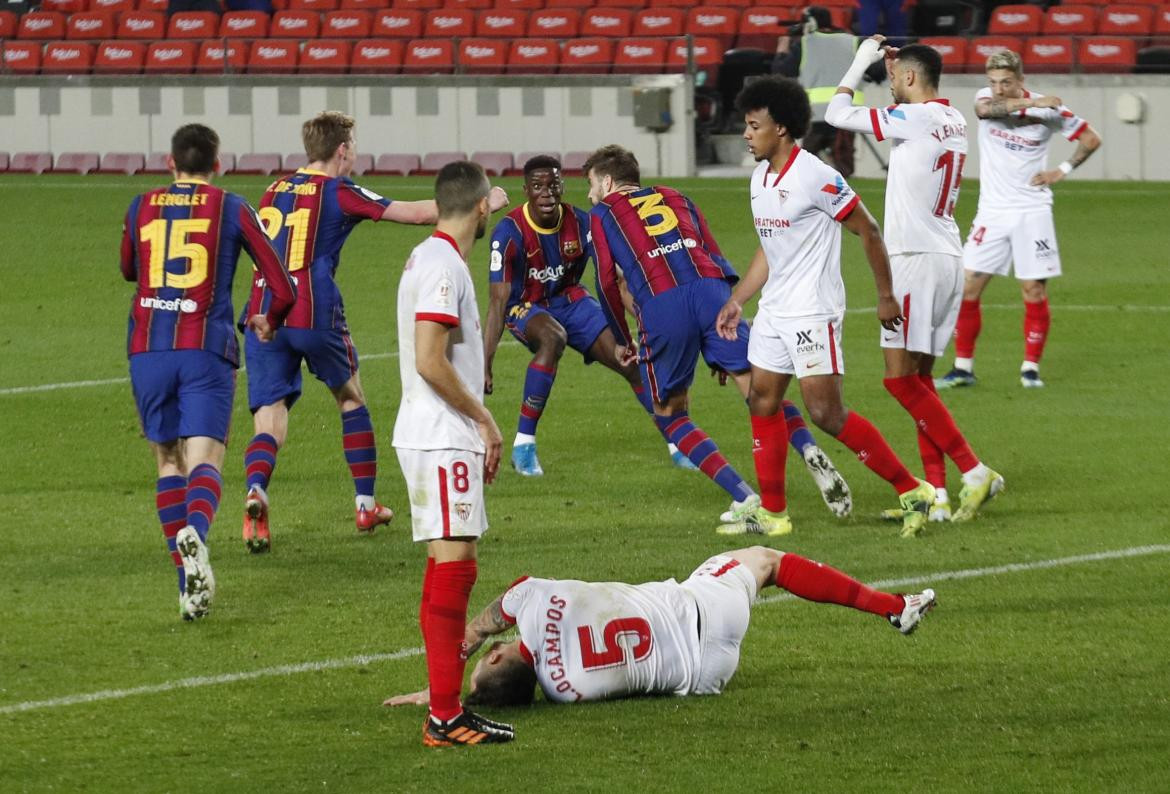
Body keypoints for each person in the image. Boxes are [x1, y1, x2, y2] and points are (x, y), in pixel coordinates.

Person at [239, 111, 507, 553]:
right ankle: (365, 503)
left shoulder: (274, 189)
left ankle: (255, 489)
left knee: (269, 415)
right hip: (313, 309)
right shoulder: (337, 190)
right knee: (350, 397)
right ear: (342, 150)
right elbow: (414, 213)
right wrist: (481, 202)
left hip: (263, 311)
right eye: (355, 147)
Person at [585, 144, 852, 529]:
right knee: (760, 392)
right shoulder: (676, 195)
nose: (591, 194)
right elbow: (712, 250)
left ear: (607, 181)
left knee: (670, 414)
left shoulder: (602, 212)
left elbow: (606, 281)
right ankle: (808, 446)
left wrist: (621, 337)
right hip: (712, 292)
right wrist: (724, 320)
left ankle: (744, 495)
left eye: (593, 185)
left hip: (663, 304)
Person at [717, 76, 936, 539]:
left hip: (813, 312)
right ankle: (774, 514)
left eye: (753, 125)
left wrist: (884, 296)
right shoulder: (760, 177)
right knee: (762, 399)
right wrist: (738, 300)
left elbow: (869, 230)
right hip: (776, 311)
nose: (745, 134)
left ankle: (912, 489)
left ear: (780, 128)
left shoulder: (815, 175)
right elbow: (770, 248)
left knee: (825, 414)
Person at [383, 545, 937, 708]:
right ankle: (892, 606)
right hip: (704, 609)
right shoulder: (532, 603)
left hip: (704, 677)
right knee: (765, 560)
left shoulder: (565, 693)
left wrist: (442, 696)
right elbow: (500, 609)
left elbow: (515, 671)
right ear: (500, 657)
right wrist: (465, 646)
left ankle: (893, 607)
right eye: (489, 656)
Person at [825, 38, 1004, 523]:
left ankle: (973, 470)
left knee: (899, 381)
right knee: (920, 381)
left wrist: (863, 59)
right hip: (947, 254)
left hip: (914, 259)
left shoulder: (917, 118)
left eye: (895, 76)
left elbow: (837, 114)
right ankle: (938, 497)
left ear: (908, 78)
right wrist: (894, 69)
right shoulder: (950, 118)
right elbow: (902, 112)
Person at [121, 123, 296, 620]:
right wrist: (270, 318)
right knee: (205, 462)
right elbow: (279, 283)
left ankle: (188, 586)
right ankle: (196, 531)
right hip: (205, 348)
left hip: (148, 348)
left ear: (170, 163)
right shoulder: (232, 206)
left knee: (167, 462)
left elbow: (128, 268)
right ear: (217, 165)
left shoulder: (140, 205)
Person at [392, 161, 514, 747]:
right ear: (481, 209)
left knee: (446, 566)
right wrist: (485, 418)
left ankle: (444, 706)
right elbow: (429, 358)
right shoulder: (444, 265)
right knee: (457, 567)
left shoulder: (431, 255)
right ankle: (444, 717)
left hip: (433, 431)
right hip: (442, 433)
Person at [483, 155, 687, 475]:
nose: (547, 193)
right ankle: (524, 446)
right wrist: (485, 363)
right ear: (526, 191)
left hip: (571, 300)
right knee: (552, 338)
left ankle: (679, 444)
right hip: (526, 305)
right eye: (538, 186)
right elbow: (498, 302)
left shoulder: (583, 223)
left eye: (553, 184)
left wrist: (649, 319)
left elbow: (616, 280)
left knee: (631, 360)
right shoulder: (508, 232)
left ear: (563, 185)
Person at [936, 49, 1102, 390]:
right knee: (967, 285)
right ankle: (963, 367)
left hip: (1032, 211)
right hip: (992, 213)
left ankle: (1030, 369)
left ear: (1021, 80)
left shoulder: (1051, 110)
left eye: (1006, 82)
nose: (998, 89)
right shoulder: (988, 99)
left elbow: (1091, 138)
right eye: (993, 82)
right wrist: (1031, 106)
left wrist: (1063, 169)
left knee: (1034, 290)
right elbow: (985, 111)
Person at [771, 5, 882, 179]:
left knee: (805, 167)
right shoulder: (852, 41)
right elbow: (879, 72)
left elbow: (781, 72)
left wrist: (782, 49)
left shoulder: (804, 44)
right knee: (843, 167)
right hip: (847, 114)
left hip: (815, 115)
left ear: (810, 23)